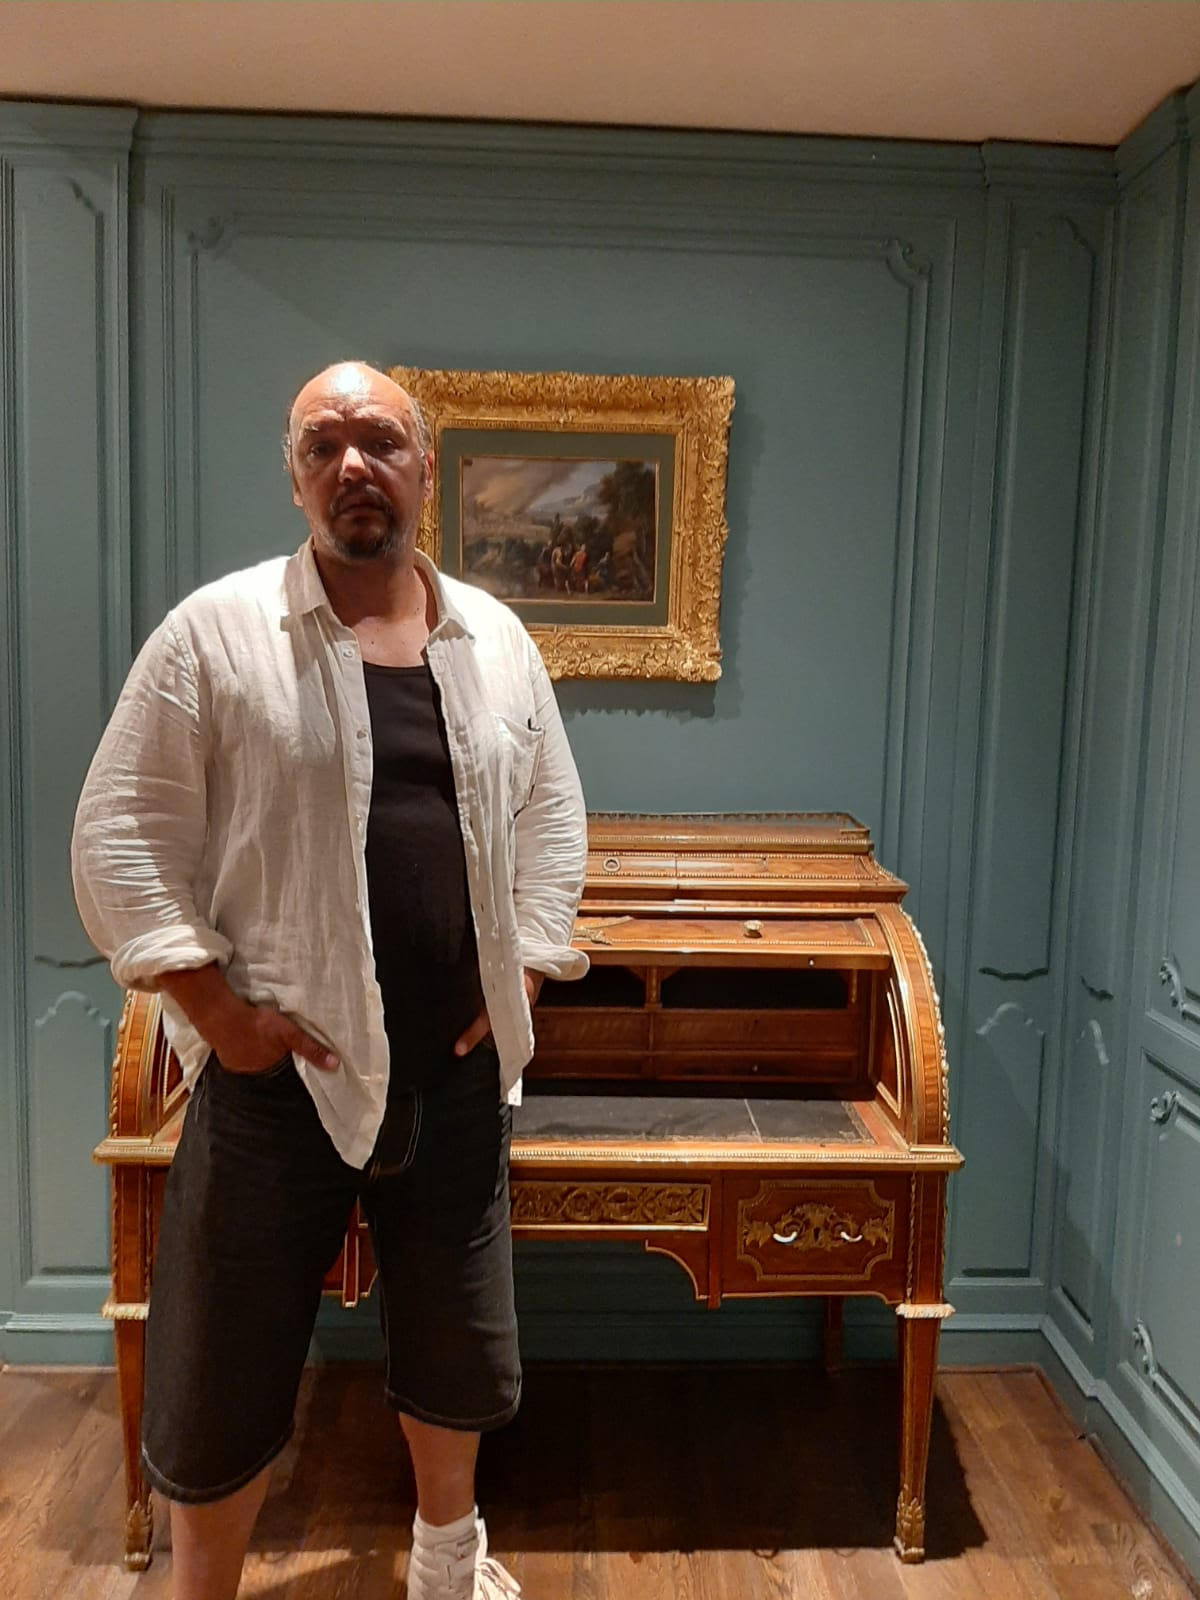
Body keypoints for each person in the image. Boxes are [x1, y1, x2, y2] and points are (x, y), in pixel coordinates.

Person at [70, 361, 590, 1600]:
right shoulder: (214, 635)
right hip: (277, 1079)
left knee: (456, 1337)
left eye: (379, 440)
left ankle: (446, 1568)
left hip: (454, 1076)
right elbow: (120, 832)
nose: (353, 463)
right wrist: (219, 1016)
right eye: (323, 443)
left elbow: (552, 816)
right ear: (295, 475)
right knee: (224, 1360)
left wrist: (521, 969)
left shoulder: (496, 639)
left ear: (425, 467)